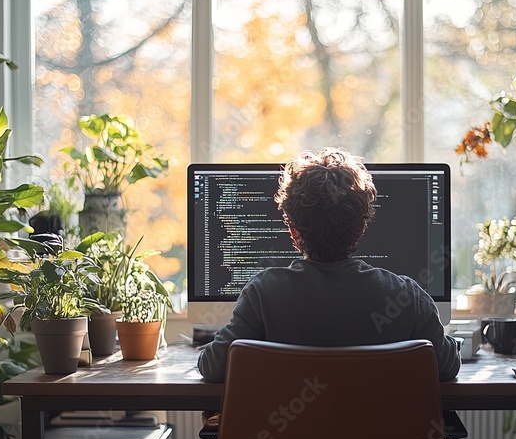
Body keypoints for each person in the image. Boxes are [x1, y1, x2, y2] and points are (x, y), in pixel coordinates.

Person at [196, 147, 460, 383]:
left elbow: (212, 367)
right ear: (360, 227)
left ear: (294, 232)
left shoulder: (262, 295)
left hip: (290, 438)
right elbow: (448, 366)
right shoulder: (407, 296)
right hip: (382, 438)